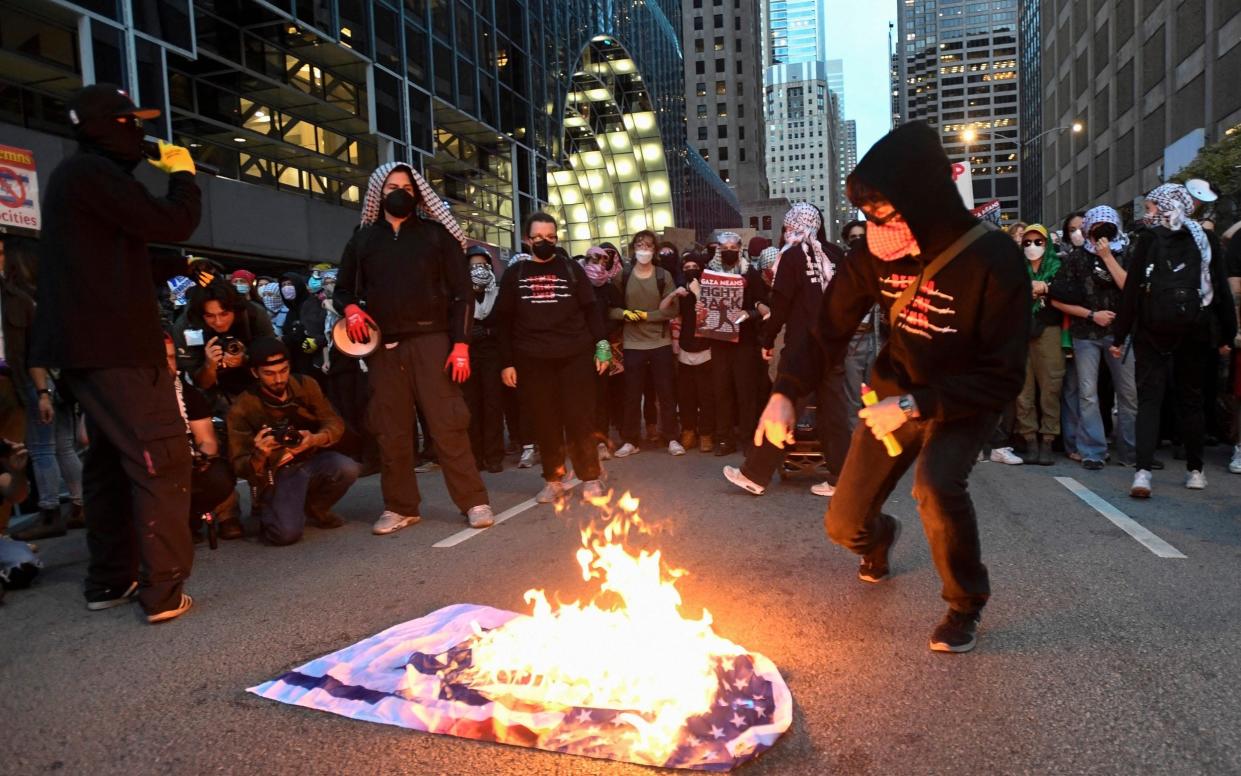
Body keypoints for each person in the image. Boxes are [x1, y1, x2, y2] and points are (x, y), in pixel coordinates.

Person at [756, 121, 1030, 653]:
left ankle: (963, 605)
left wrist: (917, 406)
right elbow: (825, 332)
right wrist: (786, 392)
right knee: (843, 524)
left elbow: (1004, 373)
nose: (873, 222)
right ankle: (879, 538)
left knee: (937, 485)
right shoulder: (869, 258)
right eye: (866, 211)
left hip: (960, 401)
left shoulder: (994, 259)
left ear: (922, 198)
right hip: (891, 393)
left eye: (884, 208)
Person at [30, 84, 200, 622]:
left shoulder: (79, 182)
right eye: (133, 122)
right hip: (117, 348)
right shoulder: (90, 175)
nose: (143, 133)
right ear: (110, 126)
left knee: (107, 461)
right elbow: (172, 219)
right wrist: (183, 176)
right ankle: (163, 590)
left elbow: (119, 256)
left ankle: (111, 579)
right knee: (162, 456)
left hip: (89, 348)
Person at [334, 162, 495, 533]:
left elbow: (463, 295)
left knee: (448, 424)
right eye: (392, 186)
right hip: (384, 348)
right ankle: (400, 506)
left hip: (432, 340)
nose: (400, 192)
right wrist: (352, 307)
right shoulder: (362, 239)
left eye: (407, 187)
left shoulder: (436, 235)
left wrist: (460, 345)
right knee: (390, 428)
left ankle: (474, 501)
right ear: (378, 192)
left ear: (418, 194)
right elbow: (343, 288)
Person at [1111, 184, 1236, 498]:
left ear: (1166, 205)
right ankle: (1195, 471)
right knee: (1191, 400)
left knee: (1149, 400)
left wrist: (1120, 335)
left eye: (1152, 206)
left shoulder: (1149, 239)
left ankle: (1142, 474)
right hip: (1195, 329)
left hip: (1151, 330)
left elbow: (1132, 291)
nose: (1149, 212)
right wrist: (1226, 334)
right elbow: (1219, 288)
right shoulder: (1204, 239)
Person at [725, 203, 847, 498]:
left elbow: (780, 307)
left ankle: (754, 474)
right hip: (833, 348)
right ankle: (843, 480)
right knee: (833, 416)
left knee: (782, 408)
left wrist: (766, 342)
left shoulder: (791, 256)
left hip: (802, 351)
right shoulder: (835, 255)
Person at [497, 213, 611, 503]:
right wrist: (507, 362)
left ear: (557, 238)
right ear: (526, 239)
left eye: (550, 237)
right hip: (532, 359)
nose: (544, 242)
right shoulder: (515, 274)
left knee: (579, 418)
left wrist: (602, 345)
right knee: (544, 421)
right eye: (537, 238)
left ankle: (590, 477)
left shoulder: (571, 269)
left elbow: (591, 310)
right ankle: (553, 479)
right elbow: (503, 322)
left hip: (574, 355)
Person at [227, 338, 358, 545]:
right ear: (255, 373)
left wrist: (314, 439)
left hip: (309, 459)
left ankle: (316, 508)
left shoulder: (306, 385)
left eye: (283, 370)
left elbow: (334, 422)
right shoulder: (242, 407)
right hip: (276, 471)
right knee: (285, 535)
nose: (278, 379)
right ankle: (268, 510)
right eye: (269, 374)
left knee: (347, 467)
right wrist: (260, 453)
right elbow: (238, 465)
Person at [1048, 205, 1138, 469]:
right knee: (1087, 394)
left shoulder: (1128, 252)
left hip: (1121, 333)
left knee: (1128, 394)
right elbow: (1056, 298)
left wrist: (1108, 257)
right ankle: (1093, 451)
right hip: (1086, 333)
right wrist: (1091, 314)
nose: (1099, 235)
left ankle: (1131, 453)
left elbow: (1132, 290)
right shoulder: (1076, 258)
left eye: (1106, 229)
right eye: (1094, 230)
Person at [611, 230, 682, 457]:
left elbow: (672, 309)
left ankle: (672, 438)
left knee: (666, 392)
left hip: (660, 342)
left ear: (655, 250)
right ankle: (630, 439)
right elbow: (611, 309)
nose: (644, 249)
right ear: (633, 248)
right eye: (640, 244)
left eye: (649, 245)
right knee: (632, 394)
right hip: (633, 344)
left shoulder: (663, 276)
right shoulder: (623, 275)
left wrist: (643, 316)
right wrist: (625, 314)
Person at [161, 333, 239, 540]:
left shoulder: (188, 394)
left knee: (218, 474)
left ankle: (197, 516)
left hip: (186, 460)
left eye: (170, 357)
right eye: (160, 359)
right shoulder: (131, 395)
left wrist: (201, 458)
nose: (167, 364)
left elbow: (207, 440)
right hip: (151, 466)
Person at [706, 231, 770, 457]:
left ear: (740, 248)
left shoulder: (749, 272)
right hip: (719, 341)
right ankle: (724, 438)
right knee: (721, 391)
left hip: (745, 341)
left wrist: (749, 314)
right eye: (725, 247)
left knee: (746, 392)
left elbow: (763, 305)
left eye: (734, 247)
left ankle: (747, 438)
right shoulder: (710, 272)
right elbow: (703, 305)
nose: (729, 251)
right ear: (718, 249)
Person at [174, 279, 275, 410]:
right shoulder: (186, 327)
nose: (219, 322)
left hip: (257, 388)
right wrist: (210, 366)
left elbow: (272, 359)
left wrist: (246, 359)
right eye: (210, 316)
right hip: (212, 397)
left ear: (235, 310)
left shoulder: (254, 315)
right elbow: (201, 383)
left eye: (224, 314)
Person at [1013, 224, 1066, 465]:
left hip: (1049, 331)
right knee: (1023, 391)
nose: (1032, 247)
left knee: (1050, 387)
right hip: (1020, 332)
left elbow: (1070, 293)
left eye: (1038, 242)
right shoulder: (1014, 269)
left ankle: (1048, 439)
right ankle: (1029, 439)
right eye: (1027, 242)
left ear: (1047, 244)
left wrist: (1047, 288)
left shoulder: (1058, 268)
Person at [0, 240, 34, 538]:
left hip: (12, 384)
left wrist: (43, 393)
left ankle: (1, 534)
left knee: (11, 462)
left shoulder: (17, 299)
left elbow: (31, 351)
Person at [463, 246, 505, 473]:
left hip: (492, 353)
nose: (477, 270)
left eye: (481, 265)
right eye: (472, 266)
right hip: (468, 354)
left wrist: (488, 332)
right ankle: (475, 455)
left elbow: (505, 323)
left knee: (492, 404)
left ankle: (494, 455)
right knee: (471, 405)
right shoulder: (460, 294)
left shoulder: (497, 292)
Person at [583, 246, 625, 458]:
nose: (597, 263)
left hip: (603, 346)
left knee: (601, 395)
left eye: (602, 260)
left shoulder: (609, 288)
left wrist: (602, 334)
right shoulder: (577, 285)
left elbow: (619, 314)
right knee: (582, 396)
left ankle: (601, 441)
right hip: (580, 347)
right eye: (593, 258)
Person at [674, 250, 716, 453]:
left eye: (695, 267)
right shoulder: (680, 289)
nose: (691, 270)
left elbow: (712, 316)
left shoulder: (709, 289)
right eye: (687, 268)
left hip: (706, 347)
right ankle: (688, 430)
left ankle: (706, 433)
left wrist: (699, 293)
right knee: (686, 395)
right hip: (684, 348)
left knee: (706, 395)